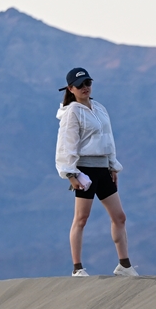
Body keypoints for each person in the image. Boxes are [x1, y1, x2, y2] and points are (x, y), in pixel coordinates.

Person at [55, 67, 139, 277]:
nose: (85, 87)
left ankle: (124, 265)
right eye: (80, 85)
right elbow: (66, 144)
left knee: (119, 217)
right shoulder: (72, 112)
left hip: (103, 168)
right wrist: (70, 173)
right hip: (84, 170)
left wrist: (112, 165)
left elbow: (108, 139)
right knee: (81, 218)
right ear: (70, 88)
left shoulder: (99, 108)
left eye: (88, 83)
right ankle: (77, 268)